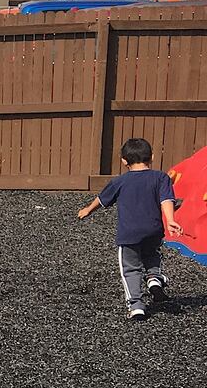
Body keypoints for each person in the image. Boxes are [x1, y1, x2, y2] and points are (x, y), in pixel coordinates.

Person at [76, 137, 184, 319]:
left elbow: (102, 199)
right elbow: (167, 200)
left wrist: (88, 209)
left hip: (129, 234)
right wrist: (171, 220)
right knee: (152, 255)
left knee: (131, 269)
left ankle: (136, 306)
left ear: (124, 161)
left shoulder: (120, 181)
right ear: (152, 157)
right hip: (153, 230)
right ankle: (154, 280)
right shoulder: (161, 177)